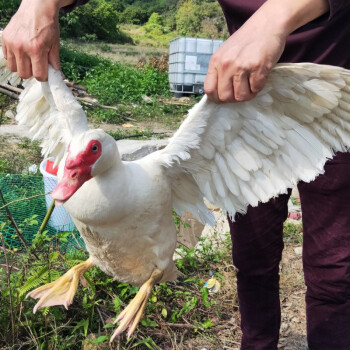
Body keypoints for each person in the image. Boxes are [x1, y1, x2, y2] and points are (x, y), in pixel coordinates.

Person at [2, 0, 350, 349]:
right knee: (253, 261)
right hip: (241, 93)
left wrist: (274, 20)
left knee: (332, 271)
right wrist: (39, 3)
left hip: (327, 95)